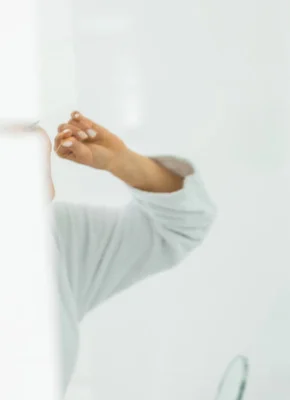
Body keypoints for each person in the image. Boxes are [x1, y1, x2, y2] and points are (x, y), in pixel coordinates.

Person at [30, 112, 217, 393]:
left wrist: (122, 162)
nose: (32, 144)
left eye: (31, 126)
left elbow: (181, 225)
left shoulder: (54, 238)